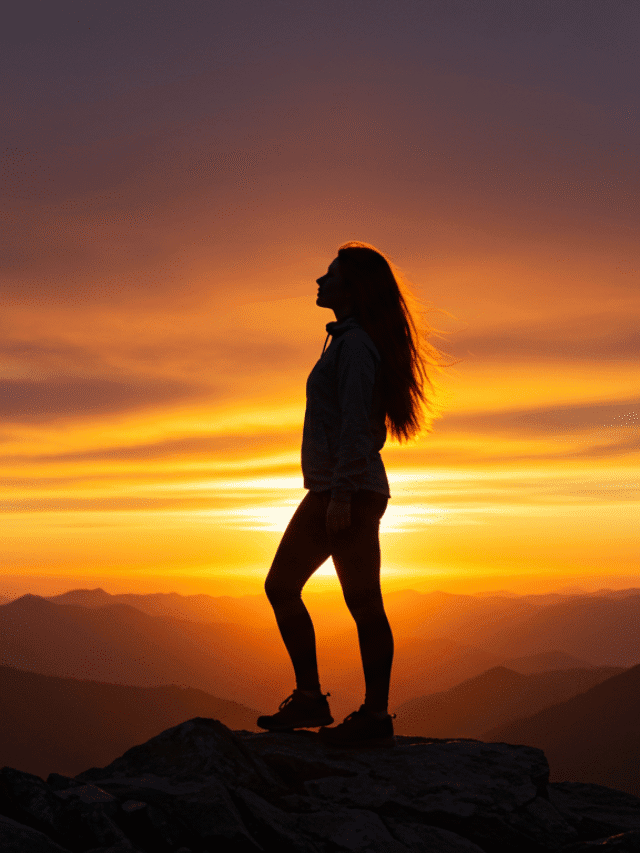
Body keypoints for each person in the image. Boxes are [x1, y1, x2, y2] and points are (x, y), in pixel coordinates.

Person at [257, 241, 451, 747]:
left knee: (352, 600)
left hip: (346, 491)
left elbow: (357, 430)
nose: (319, 282)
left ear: (352, 288)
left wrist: (341, 496)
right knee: (330, 596)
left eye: (330, 275)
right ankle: (326, 702)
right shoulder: (348, 343)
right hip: (341, 489)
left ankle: (362, 712)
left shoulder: (356, 347)